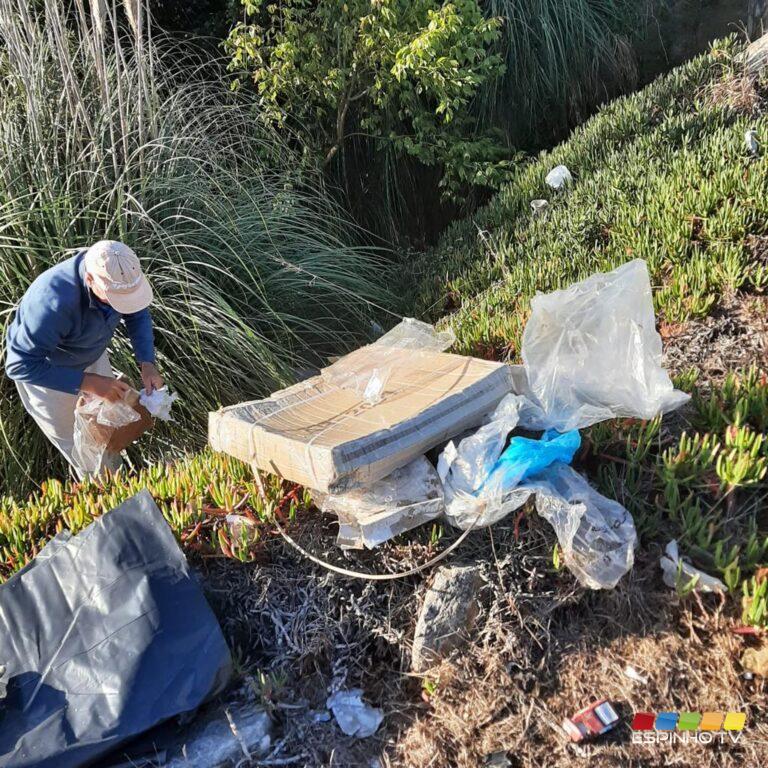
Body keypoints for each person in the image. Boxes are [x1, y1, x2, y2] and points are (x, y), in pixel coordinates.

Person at [4, 240, 163, 478]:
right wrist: (88, 382)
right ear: (90, 281)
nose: (124, 304)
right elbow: (19, 364)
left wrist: (147, 363)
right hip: (49, 374)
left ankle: (120, 483)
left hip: (90, 354)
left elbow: (136, 312)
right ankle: (108, 504)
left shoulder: (120, 272)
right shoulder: (53, 302)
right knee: (86, 452)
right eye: (116, 299)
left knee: (107, 433)